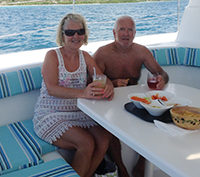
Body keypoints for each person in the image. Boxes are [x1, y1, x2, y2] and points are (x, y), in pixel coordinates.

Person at [33, 13, 114, 177]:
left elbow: (103, 79)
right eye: (70, 32)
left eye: (80, 31)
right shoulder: (52, 56)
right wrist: (84, 93)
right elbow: (52, 89)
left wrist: (110, 87)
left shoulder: (85, 57)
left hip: (79, 112)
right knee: (87, 143)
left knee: (104, 139)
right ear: (62, 35)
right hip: (50, 113)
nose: (75, 36)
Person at [93, 15, 169, 177]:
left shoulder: (141, 52)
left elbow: (161, 73)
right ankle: (122, 168)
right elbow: (92, 81)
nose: (126, 33)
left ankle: (141, 166)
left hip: (135, 99)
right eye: (122, 29)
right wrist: (111, 83)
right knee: (109, 128)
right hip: (111, 100)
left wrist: (162, 79)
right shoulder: (102, 53)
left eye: (130, 30)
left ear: (135, 34)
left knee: (158, 121)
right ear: (114, 32)